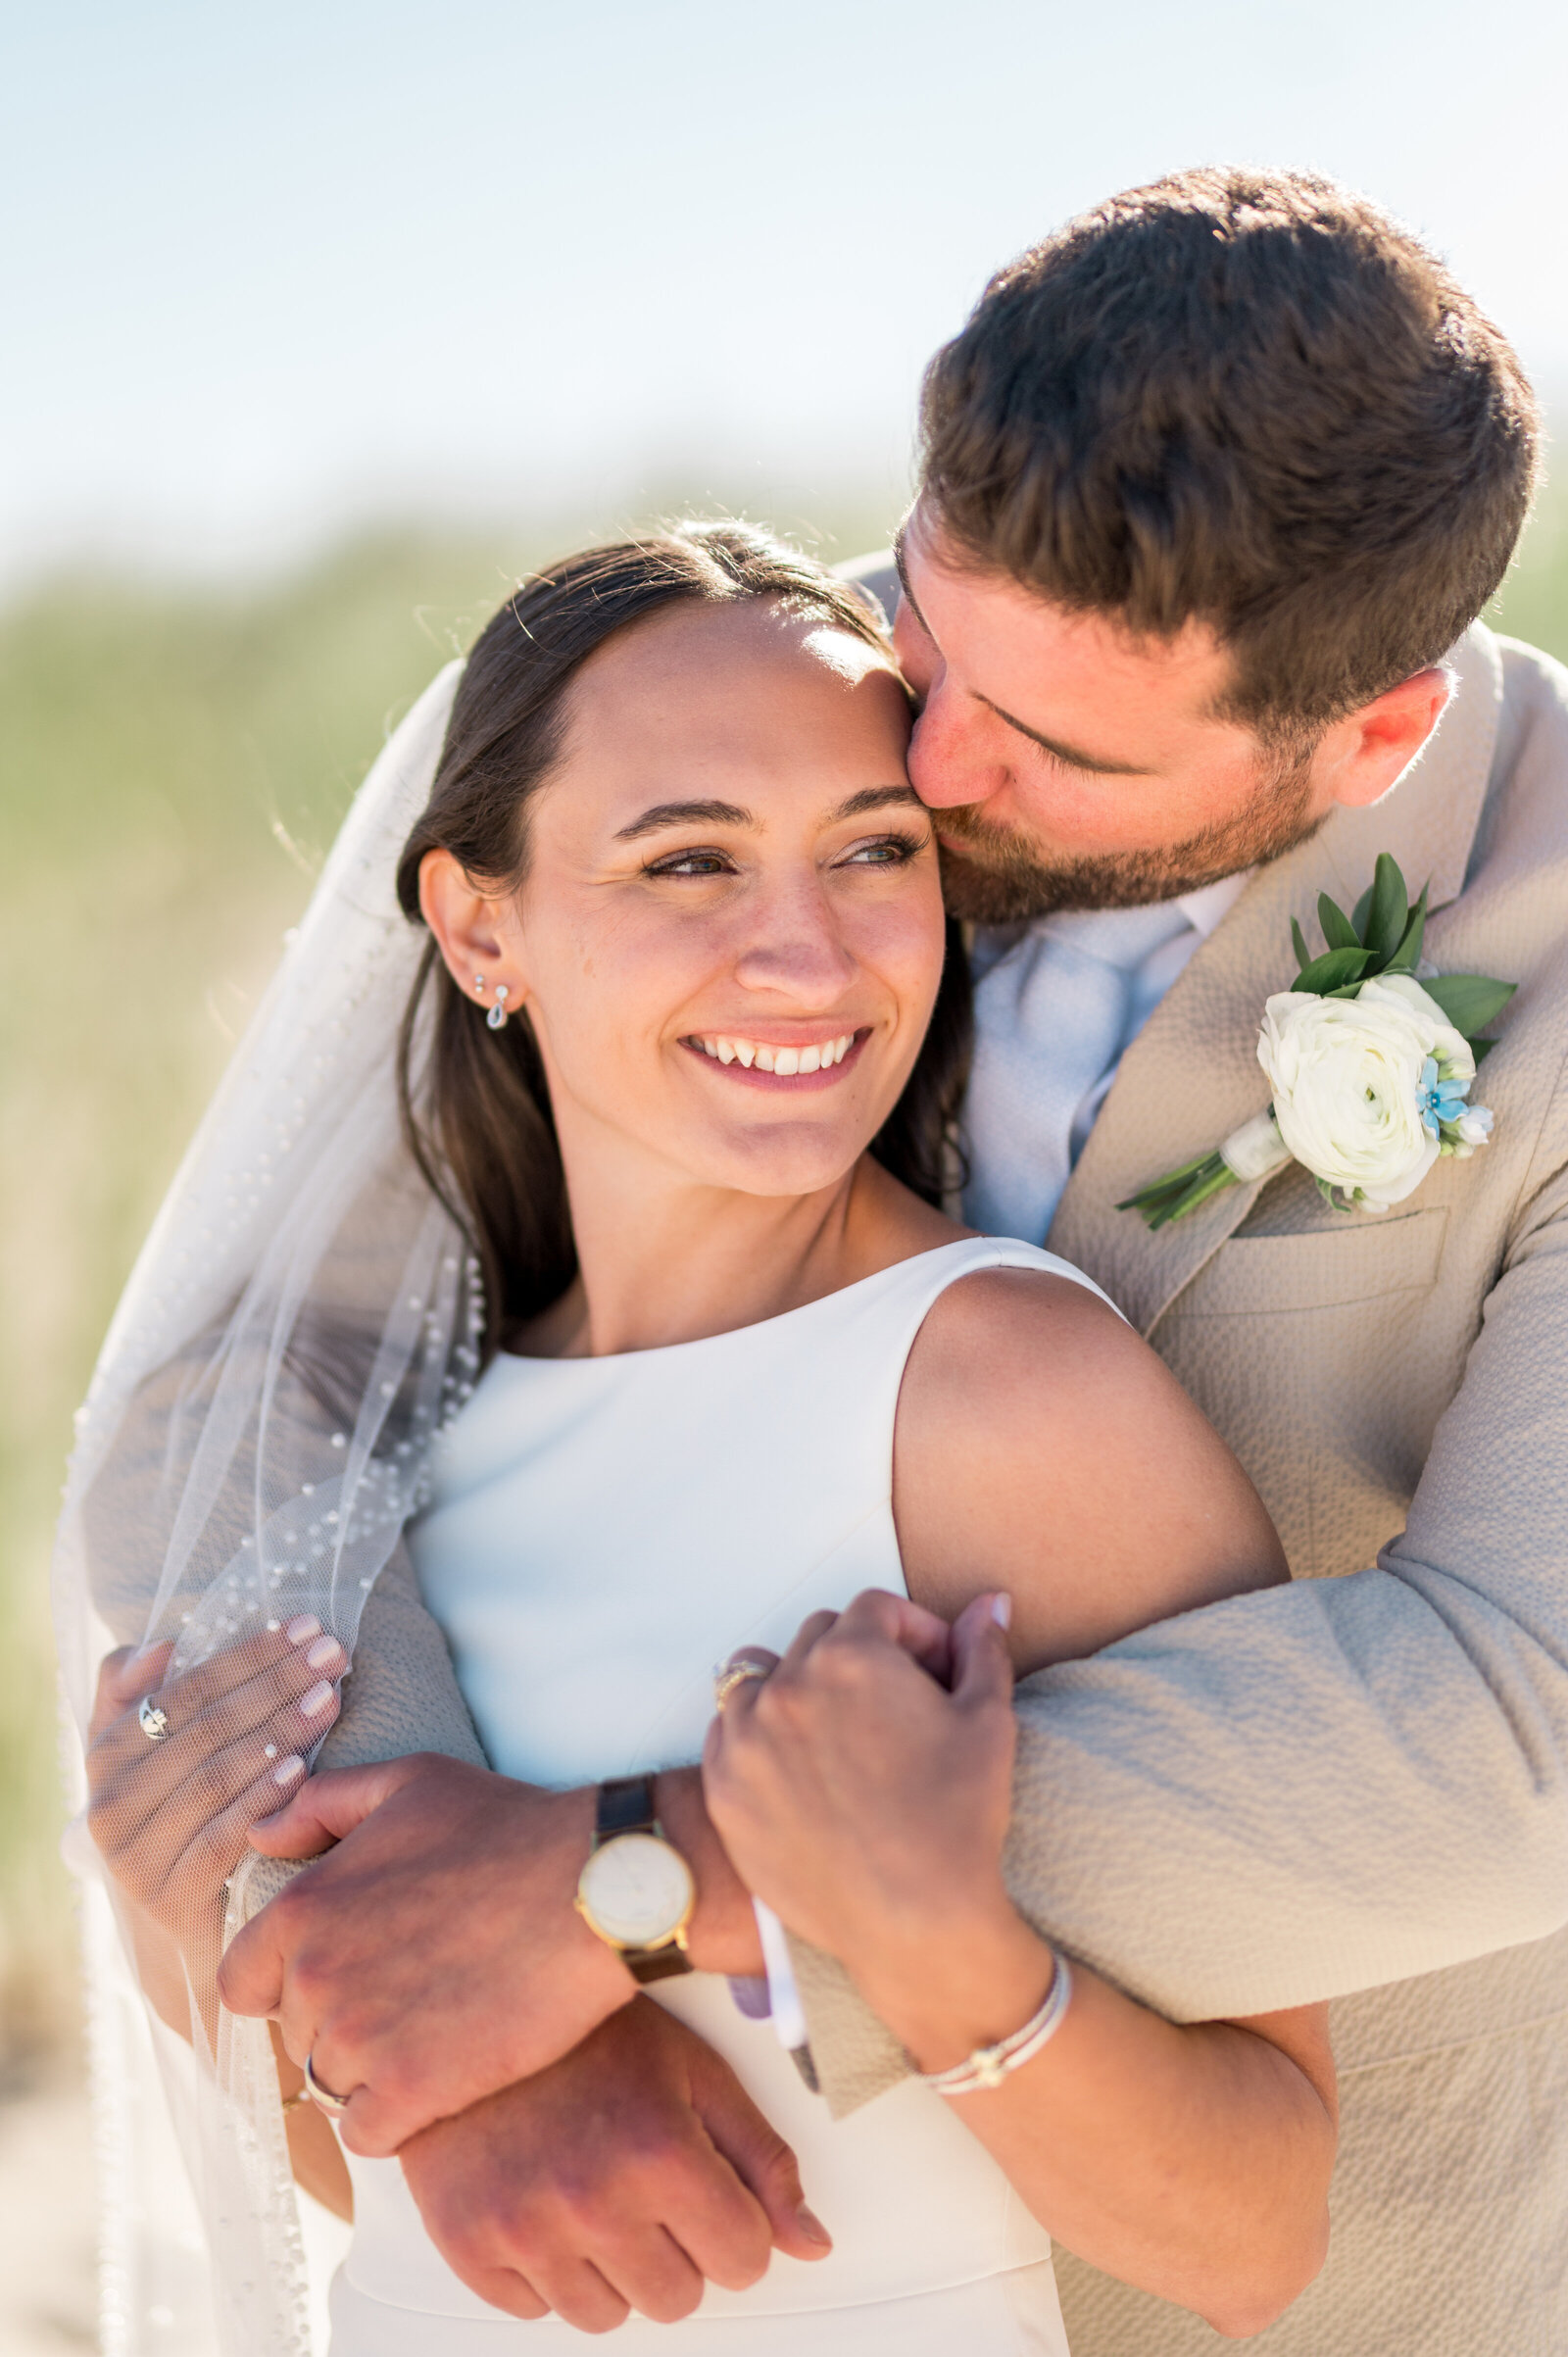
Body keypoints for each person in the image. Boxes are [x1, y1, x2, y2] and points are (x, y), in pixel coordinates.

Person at [62, 161, 1568, 2356]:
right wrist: (439, 2031)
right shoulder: (719, 718)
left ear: (1365, 744)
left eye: (1048, 751)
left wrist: (625, 1891)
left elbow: (1522, 1732)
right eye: (934, 628)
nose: (925, 769)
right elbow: (237, 1391)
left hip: (1317, 2270)